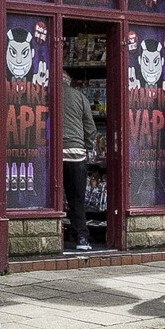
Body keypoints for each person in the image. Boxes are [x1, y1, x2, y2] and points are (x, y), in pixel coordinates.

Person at [62, 66, 98, 253]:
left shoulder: (49, 95)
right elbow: (90, 127)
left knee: (51, 198)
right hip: (77, 154)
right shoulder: (80, 97)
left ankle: (56, 236)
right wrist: (87, 146)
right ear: (69, 81)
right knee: (77, 198)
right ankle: (81, 238)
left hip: (53, 155)